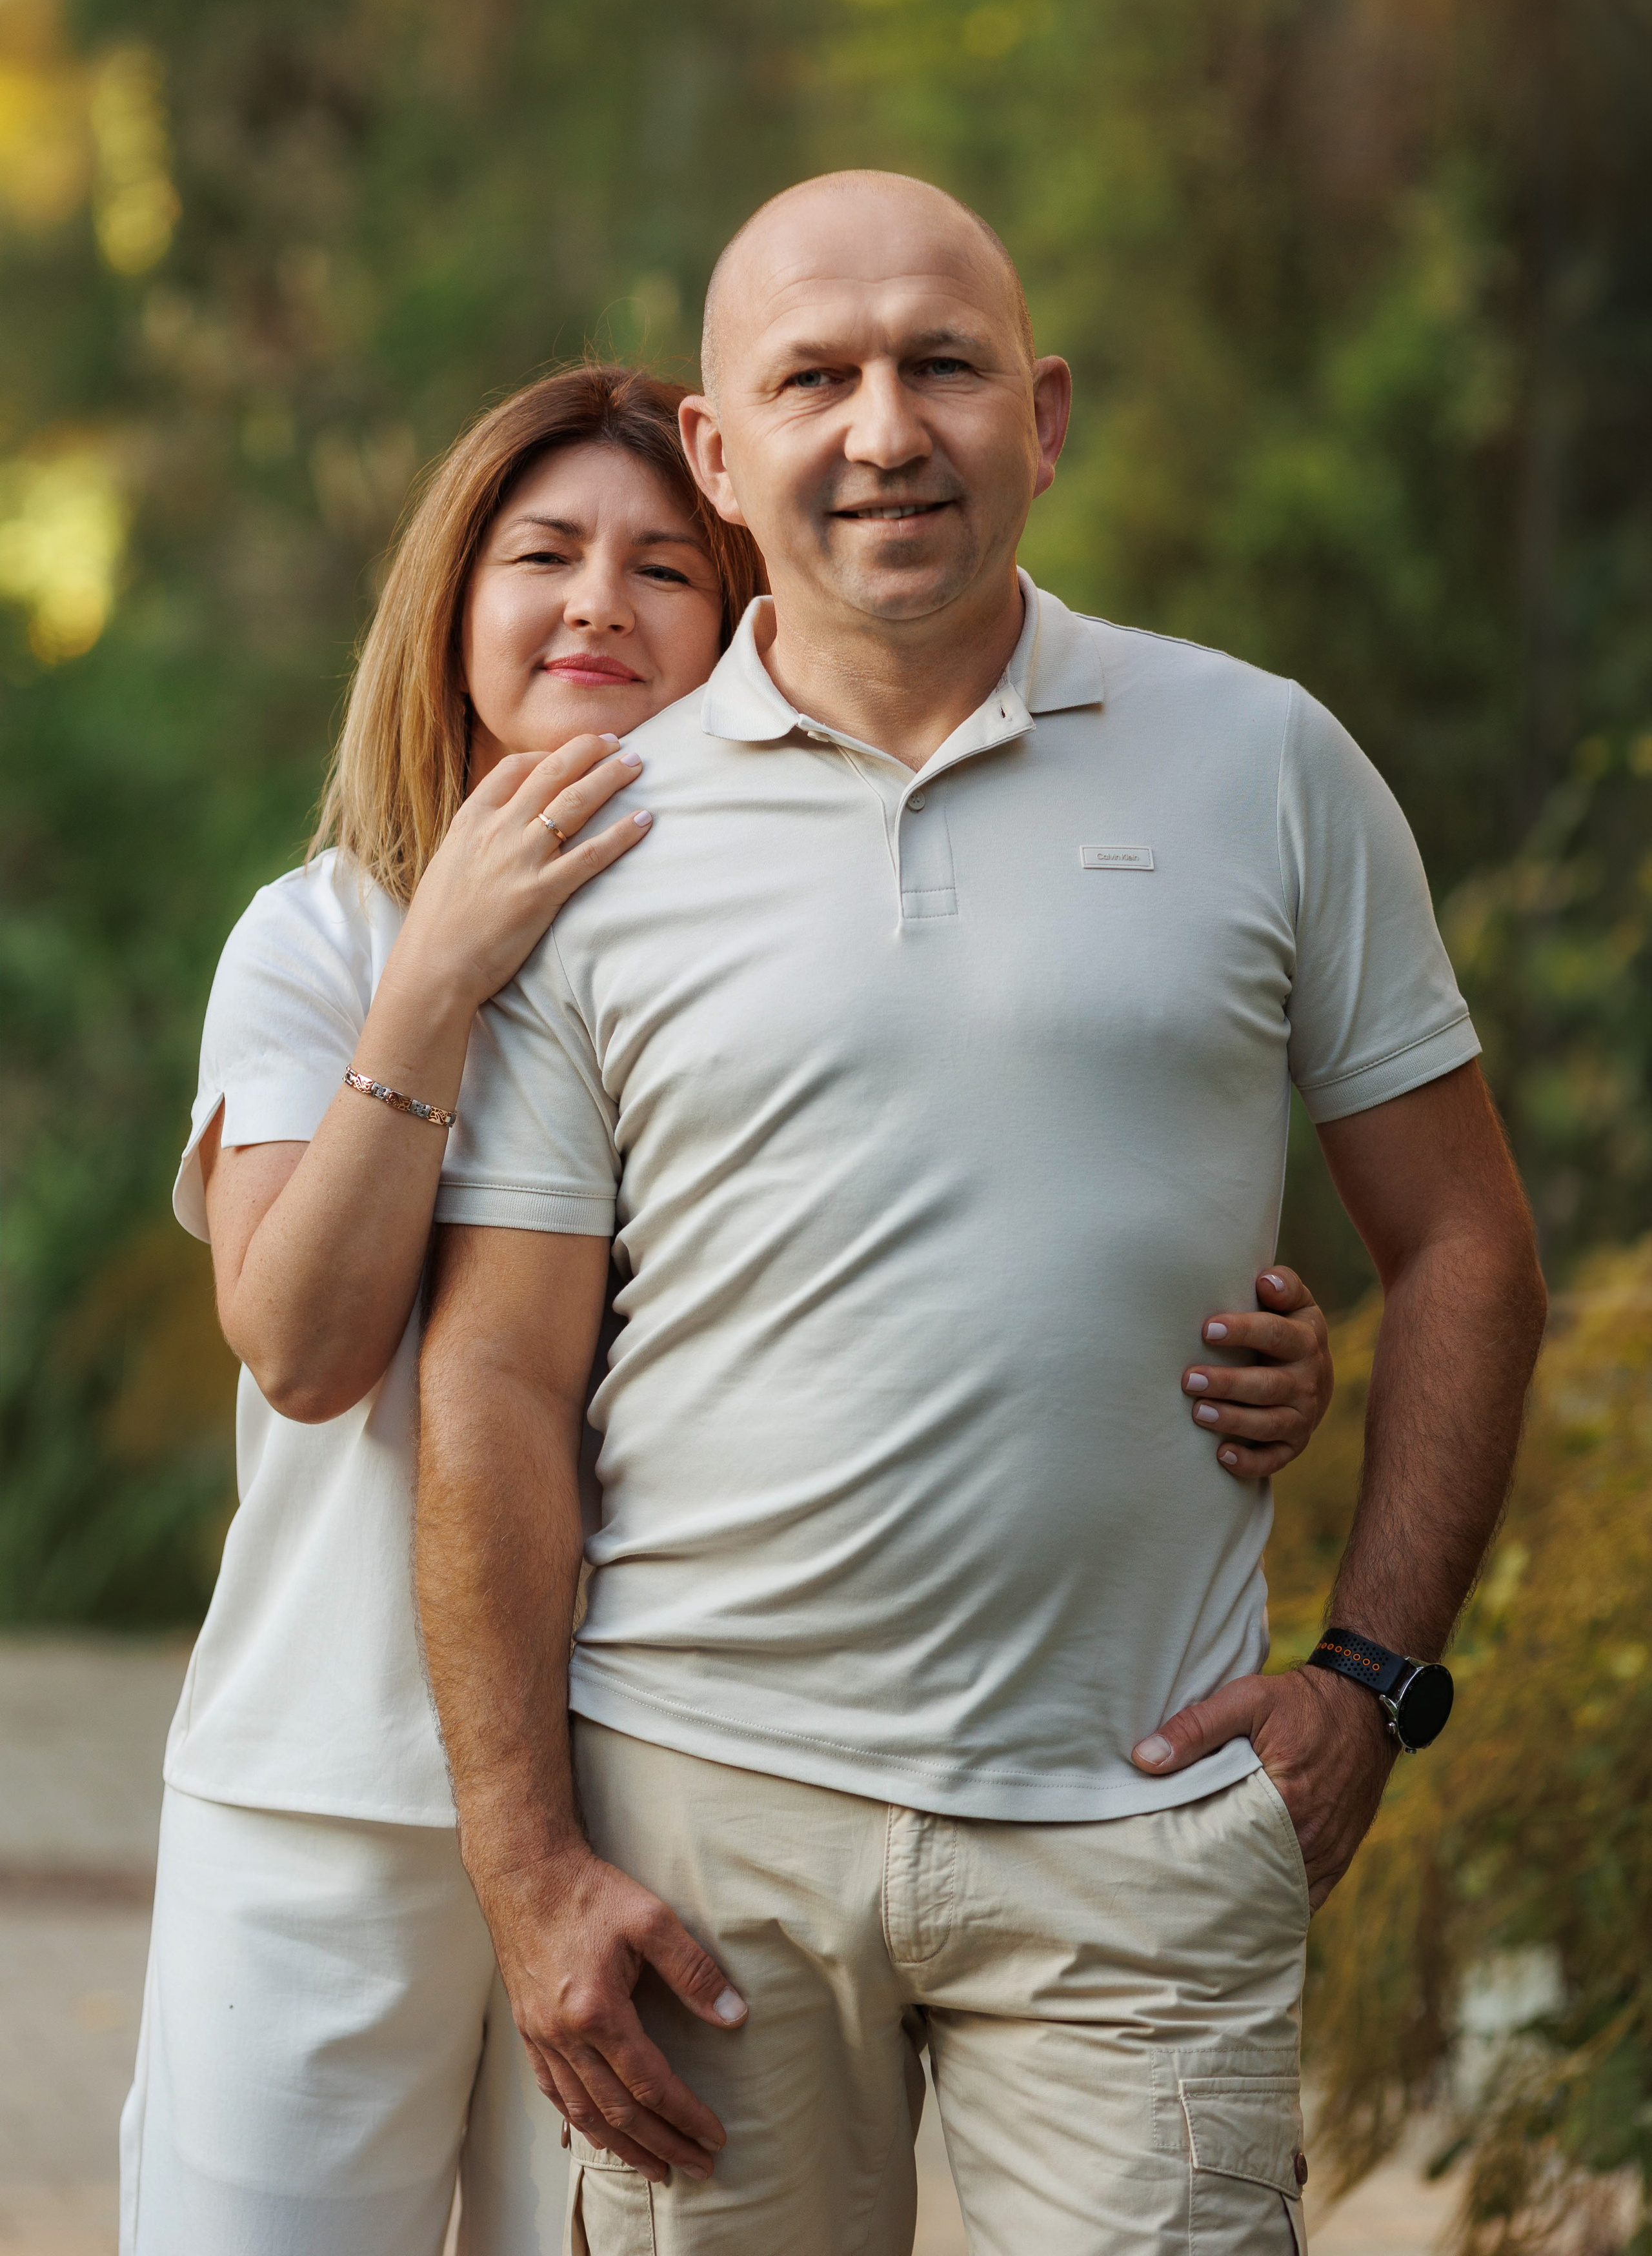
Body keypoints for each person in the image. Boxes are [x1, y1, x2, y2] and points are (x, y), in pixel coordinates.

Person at [414, 174, 1549, 2256]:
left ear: (1041, 412)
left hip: (1142, 1827)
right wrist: (524, 1863)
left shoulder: (1267, 764)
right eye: (814, 378)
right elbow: (493, 1372)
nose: (882, 429)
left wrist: (1374, 1681)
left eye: (940, 365)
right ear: (719, 454)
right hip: (701, 1838)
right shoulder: (597, 838)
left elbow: (1467, 1240)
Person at [119, 365, 765, 2256]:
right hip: (326, 1796)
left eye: (667, 568)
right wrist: (440, 979)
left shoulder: (797, 967)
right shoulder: (320, 934)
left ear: (739, 627)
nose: (597, 603)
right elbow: (306, 1349)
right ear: (453, 600)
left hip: (666, 1796)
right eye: (545, 552)